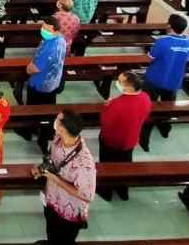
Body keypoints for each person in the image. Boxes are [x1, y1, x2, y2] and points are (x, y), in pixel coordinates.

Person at [31, 110, 96, 244]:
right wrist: (41, 167)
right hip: (52, 199)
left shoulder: (84, 163)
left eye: (57, 119)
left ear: (62, 128)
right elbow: (52, 158)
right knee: (51, 231)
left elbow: (86, 195)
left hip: (68, 211)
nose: (54, 120)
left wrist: (55, 179)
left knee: (63, 239)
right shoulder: (58, 139)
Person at [141, 13, 189, 146]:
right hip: (174, 81)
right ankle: (165, 129)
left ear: (169, 26)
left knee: (148, 107)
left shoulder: (162, 42)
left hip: (154, 79)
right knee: (168, 107)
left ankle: (144, 136)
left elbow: (150, 58)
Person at [97, 71, 152, 201]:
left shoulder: (116, 104)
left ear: (129, 87)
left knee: (107, 165)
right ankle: (123, 191)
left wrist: (107, 106)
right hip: (131, 139)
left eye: (120, 82)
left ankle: (106, 192)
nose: (117, 83)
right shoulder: (145, 97)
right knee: (125, 164)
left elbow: (105, 122)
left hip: (111, 140)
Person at [22, 17, 67, 152]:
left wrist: (28, 68)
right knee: (49, 106)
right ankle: (46, 131)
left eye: (46, 29)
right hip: (53, 82)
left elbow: (34, 68)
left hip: (40, 83)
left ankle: (31, 130)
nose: (43, 30)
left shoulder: (50, 47)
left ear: (54, 30)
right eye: (42, 27)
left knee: (33, 108)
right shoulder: (61, 39)